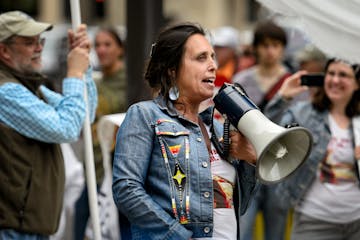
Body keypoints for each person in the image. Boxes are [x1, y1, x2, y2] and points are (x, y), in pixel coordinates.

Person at [112, 22, 258, 240]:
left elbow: (236, 206)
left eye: (212, 57)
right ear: (172, 70)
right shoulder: (145, 115)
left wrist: (248, 162)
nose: (212, 65)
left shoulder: (218, 129)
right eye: (201, 58)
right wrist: (179, 236)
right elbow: (126, 189)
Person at [0, 10, 97, 239]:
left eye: (39, 41)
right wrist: (74, 72)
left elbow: (82, 118)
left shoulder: (30, 86)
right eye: (28, 42)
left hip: (26, 226)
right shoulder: (6, 91)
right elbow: (68, 128)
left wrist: (83, 67)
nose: (39, 47)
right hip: (13, 229)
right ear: (4, 51)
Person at [265, 58, 360, 240]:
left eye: (344, 75)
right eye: (331, 73)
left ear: (357, 84)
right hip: (313, 221)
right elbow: (268, 133)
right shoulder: (304, 113)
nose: (335, 80)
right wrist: (283, 97)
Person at [232, 20, 290, 240]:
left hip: (282, 164)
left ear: (283, 48)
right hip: (249, 165)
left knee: (276, 231)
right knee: (243, 228)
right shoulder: (242, 80)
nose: (270, 51)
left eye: (276, 45)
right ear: (256, 48)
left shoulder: (292, 82)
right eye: (265, 45)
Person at [74, 27, 127, 240]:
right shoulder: (94, 83)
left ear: (120, 49)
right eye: (98, 45)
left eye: (108, 44)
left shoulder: (129, 82)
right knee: (83, 221)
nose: (102, 50)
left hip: (115, 169)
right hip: (93, 165)